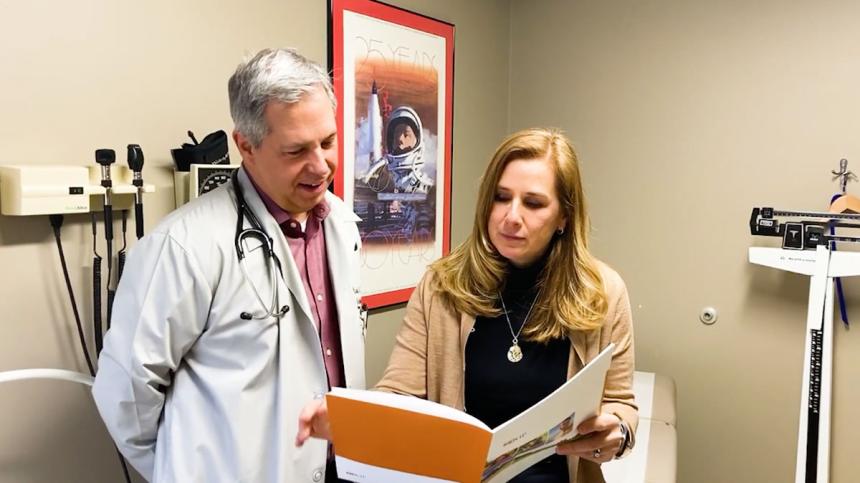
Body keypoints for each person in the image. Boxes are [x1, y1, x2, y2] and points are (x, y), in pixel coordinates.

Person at [297, 127, 636, 483]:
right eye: (501, 197)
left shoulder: (602, 293)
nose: (511, 217)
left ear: (564, 216)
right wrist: (355, 420)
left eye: (533, 203)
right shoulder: (442, 286)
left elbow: (620, 405)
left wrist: (616, 433)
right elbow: (399, 393)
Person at [92, 48, 366, 483]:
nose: (321, 166)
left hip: (343, 468)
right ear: (245, 146)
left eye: (328, 142)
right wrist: (186, 469)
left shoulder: (342, 226)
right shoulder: (182, 247)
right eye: (296, 150)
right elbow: (124, 392)